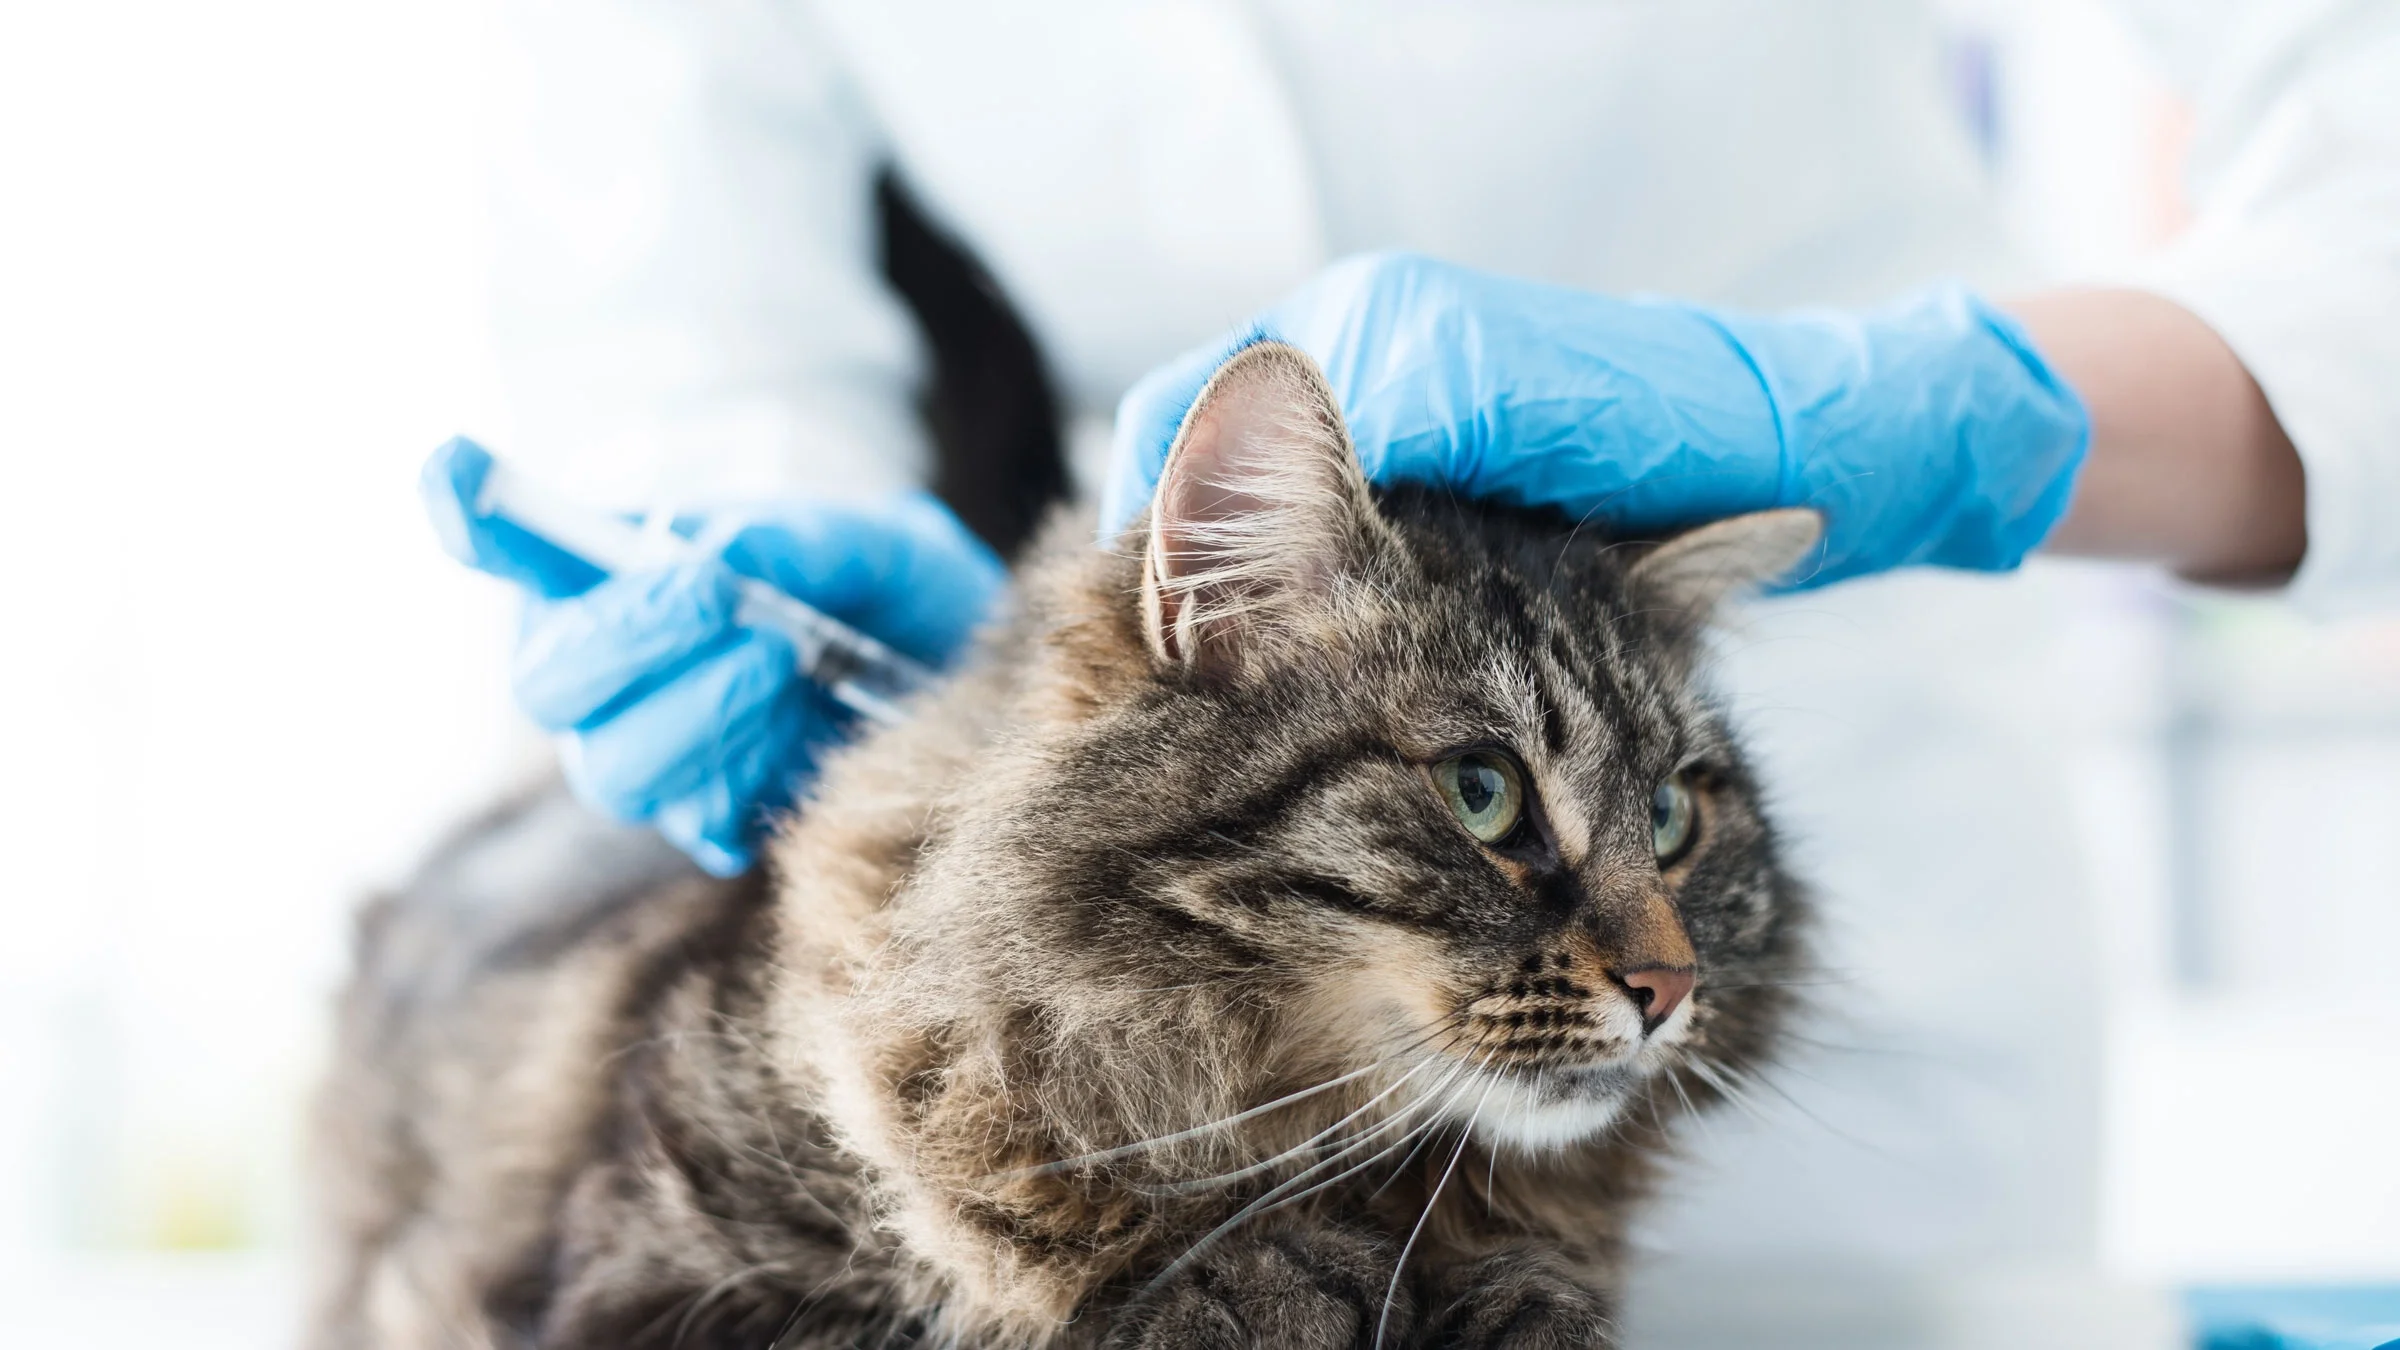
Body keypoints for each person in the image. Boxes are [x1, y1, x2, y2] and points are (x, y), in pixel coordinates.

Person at [477, 3, 2400, 1344]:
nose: (1642, 955)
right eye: (1495, 806)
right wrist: (743, 512)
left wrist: (1958, 416)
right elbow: (685, 296)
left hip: (1827, 719)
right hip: (1211, 660)